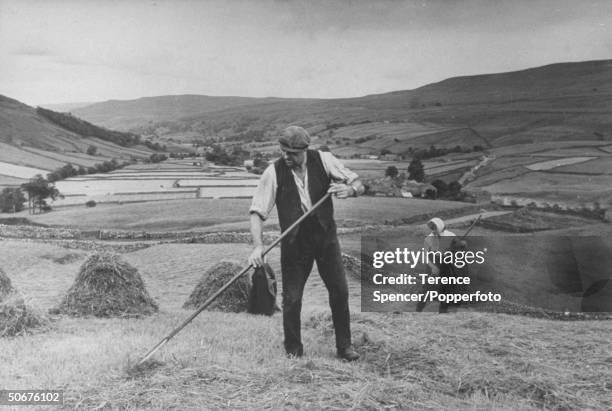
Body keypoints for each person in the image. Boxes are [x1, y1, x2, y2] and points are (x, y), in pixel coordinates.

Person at [248, 126, 364, 361]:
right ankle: (293, 351)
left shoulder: (324, 160)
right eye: (283, 152)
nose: (286, 157)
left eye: (292, 153)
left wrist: (350, 190)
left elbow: (359, 184)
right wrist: (258, 246)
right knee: (292, 299)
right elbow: (257, 213)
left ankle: (345, 347)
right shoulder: (273, 172)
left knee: (340, 292)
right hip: (295, 243)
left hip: (325, 238)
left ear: (305, 150)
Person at [415, 217, 456, 313]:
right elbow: (425, 256)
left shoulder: (451, 236)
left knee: (446, 288)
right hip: (432, 262)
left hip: (446, 264)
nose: (433, 231)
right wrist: (433, 267)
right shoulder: (429, 238)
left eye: (435, 228)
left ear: (440, 228)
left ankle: (443, 311)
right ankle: (418, 310)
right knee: (427, 288)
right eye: (432, 228)